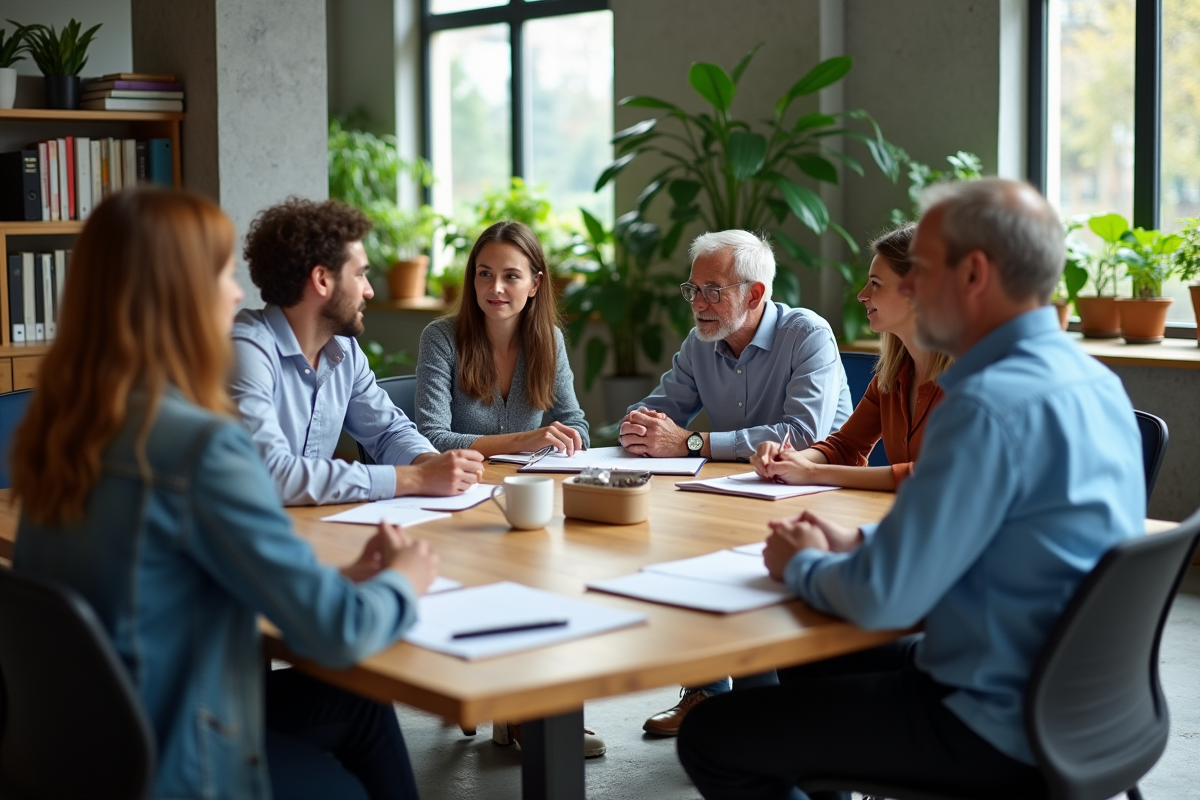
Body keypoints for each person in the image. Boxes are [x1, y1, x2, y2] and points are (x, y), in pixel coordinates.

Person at [676, 178, 1146, 800]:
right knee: (806, 660)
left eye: (921, 269)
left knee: (710, 735)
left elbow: (885, 602)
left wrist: (805, 565)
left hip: (985, 718)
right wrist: (860, 541)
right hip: (1081, 704)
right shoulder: (1096, 383)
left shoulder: (981, 405)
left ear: (972, 274)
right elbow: (987, 534)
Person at [11, 188, 437, 800]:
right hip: (182, 765)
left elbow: (168, 580)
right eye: (219, 274)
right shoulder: (199, 448)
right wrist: (405, 579)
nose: (238, 293)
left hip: (87, 750)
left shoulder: (61, 431)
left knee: (358, 703)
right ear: (176, 296)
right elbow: (339, 633)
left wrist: (337, 579)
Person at [625, 229, 852, 736]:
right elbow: (662, 410)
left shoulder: (806, 333)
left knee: (737, 561)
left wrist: (688, 443)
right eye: (693, 290)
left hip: (814, 495)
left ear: (754, 294)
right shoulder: (701, 342)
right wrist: (638, 426)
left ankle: (757, 718)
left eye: (713, 290)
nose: (698, 304)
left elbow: (800, 434)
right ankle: (707, 692)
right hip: (736, 490)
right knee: (680, 543)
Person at [231, 197, 484, 506]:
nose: (369, 290)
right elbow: (269, 474)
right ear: (322, 280)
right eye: (360, 274)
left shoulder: (344, 350)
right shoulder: (246, 351)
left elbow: (388, 431)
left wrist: (431, 463)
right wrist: (417, 478)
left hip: (311, 527)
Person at [750, 223, 952, 491]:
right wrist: (787, 459)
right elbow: (845, 446)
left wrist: (811, 472)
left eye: (876, 285)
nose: (862, 295)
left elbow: (935, 474)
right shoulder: (891, 377)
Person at [415, 220, 589, 457]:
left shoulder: (550, 339)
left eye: (511, 276)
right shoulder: (441, 338)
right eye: (485, 273)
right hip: (462, 485)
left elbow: (575, 425)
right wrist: (523, 441)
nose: (495, 287)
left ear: (534, 284)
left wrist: (563, 440)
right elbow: (432, 438)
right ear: (473, 279)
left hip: (527, 482)